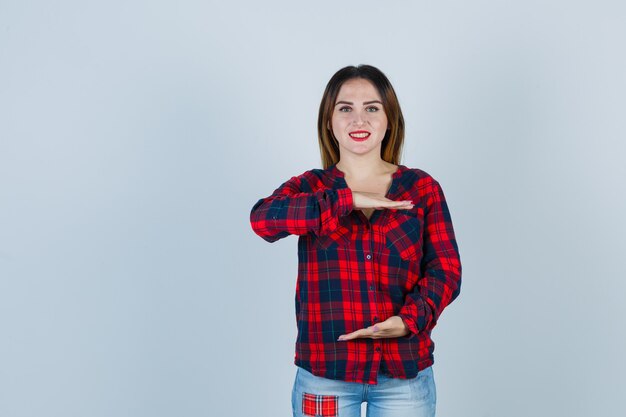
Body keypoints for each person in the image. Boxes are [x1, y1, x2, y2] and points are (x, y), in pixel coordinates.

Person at [250, 65, 461, 417]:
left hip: (404, 375)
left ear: (389, 119)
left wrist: (409, 319)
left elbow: (446, 270)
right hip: (325, 376)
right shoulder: (310, 188)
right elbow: (263, 221)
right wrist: (346, 199)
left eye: (372, 108)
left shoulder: (422, 189)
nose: (358, 119)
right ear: (329, 122)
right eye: (345, 108)